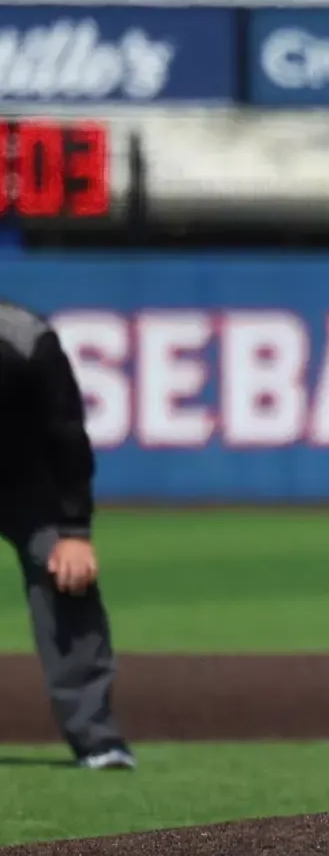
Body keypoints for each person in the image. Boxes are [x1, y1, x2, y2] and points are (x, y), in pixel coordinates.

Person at [0, 299, 135, 770]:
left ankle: (98, 738)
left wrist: (75, 530)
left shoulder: (25, 339)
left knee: (67, 575)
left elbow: (66, 434)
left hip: (27, 486)